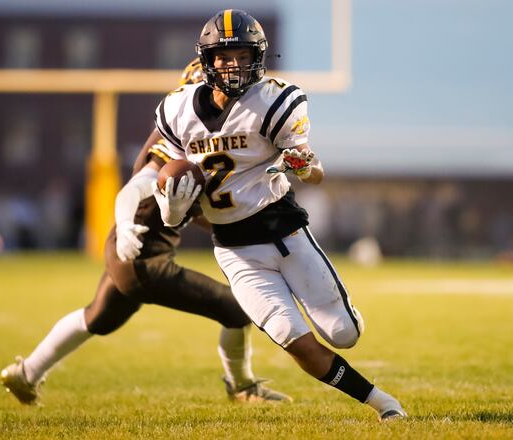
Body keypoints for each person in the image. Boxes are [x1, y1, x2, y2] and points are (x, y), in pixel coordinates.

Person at [147, 9, 406, 421]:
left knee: (345, 334)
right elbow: (171, 195)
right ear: (208, 60)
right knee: (293, 340)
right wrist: (172, 203)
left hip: (284, 232)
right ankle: (382, 403)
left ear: (258, 57)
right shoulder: (177, 111)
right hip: (236, 252)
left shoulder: (275, 100)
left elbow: (315, 174)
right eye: (225, 56)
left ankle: (342, 309)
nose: (234, 65)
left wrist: (305, 167)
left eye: (243, 56)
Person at [0, 59, 290, 405]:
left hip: (136, 252)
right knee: (237, 309)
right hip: (141, 254)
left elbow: (204, 210)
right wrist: (124, 227)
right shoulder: (178, 141)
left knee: (97, 318)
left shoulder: (205, 139)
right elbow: (133, 190)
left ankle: (26, 374)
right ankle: (242, 387)